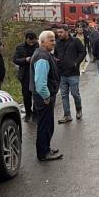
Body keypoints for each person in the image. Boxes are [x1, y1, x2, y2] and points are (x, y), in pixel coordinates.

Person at [31, 30, 62, 161]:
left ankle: (46, 148)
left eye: (54, 40)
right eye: (51, 40)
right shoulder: (42, 57)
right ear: (43, 42)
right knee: (45, 125)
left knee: (47, 124)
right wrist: (46, 96)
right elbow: (40, 82)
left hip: (45, 95)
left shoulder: (45, 54)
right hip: (44, 97)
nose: (54, 42)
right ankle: (43, 153)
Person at [54, 25, 87, 123]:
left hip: (73, 73)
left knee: (75, 94)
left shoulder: (75, 41)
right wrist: (56, 61)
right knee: (64, 95)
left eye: (61, 32)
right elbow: (55, 54)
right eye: (58, 32)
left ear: (67, 32)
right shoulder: (58, 43)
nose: (59, 34)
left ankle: (78, 109)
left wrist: (76, 62)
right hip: (62, 73)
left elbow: (83, 52)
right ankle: (67, 115)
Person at [13, 32, 39, 121]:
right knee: (26, 95)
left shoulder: (39, 45)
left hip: (37, 72)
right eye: (29, 41)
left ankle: (35, 114)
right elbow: (15, 60)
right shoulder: (20, 47)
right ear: (26, 39)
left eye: (33, 41)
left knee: (36, 94)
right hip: (25, 74)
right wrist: (25, 60)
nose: (31, 43)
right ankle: (28, 113)